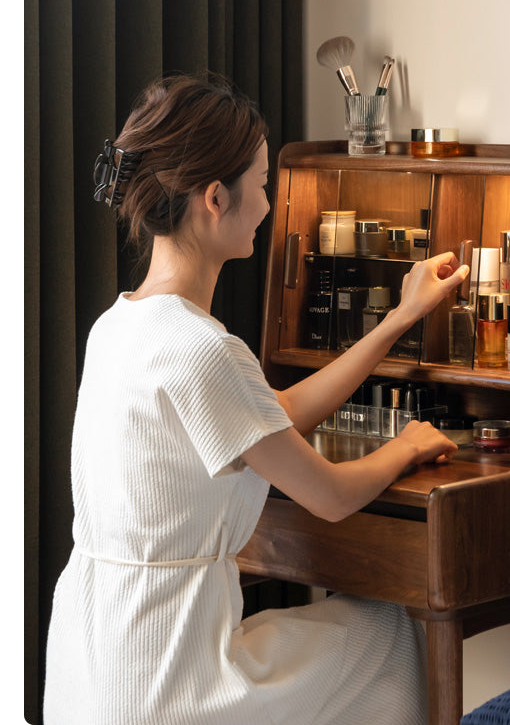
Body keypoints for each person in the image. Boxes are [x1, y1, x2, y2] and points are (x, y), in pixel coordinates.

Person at [43, 73, 470, 725]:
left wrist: (397, 319)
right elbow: (329, 496)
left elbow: (277, 414)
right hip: (176, 686)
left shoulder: (119, 326)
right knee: (389, 631)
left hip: (89, 670)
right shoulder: (204, 349)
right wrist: (406, 446)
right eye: (264, 183)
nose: (270, 205)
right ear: (216, 198)